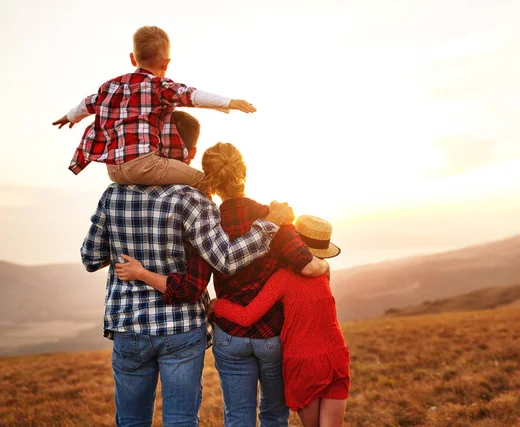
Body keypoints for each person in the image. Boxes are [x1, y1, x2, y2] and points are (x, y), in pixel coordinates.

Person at [81, 110, 294, 427]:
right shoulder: (195, 199)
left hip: (127, 324)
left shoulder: (112, 195)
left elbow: (91, 257)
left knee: (130, 420)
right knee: (181, 420)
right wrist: (267, 226)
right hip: (181, 327)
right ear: (191, 153)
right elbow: (225, 259)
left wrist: (130, 248)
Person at [115, 141, 331, 427]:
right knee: (274, 416)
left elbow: (191, 287)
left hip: (229, 335)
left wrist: (145, 274)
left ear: (211, 181)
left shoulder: (207, 223)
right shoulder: (275, 219)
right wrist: (325, 265)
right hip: (273, 335)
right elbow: (307, 266)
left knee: (237, 418)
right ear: (243, 171)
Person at [52, 25, 256, 190]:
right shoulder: (159, 86)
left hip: (114, 170)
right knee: (202, 182)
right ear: (166, 63)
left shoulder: (110, 87)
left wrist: (69, 117)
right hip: (144, 165)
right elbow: (192, 96)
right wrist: (230, 102)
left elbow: (87, 104)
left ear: (133, 58)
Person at [208, 215, 349, 427]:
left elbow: (248, 317)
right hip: (335, 356)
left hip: (303, 363)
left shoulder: (282, 278)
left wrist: (217, 305)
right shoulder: (324, 270)